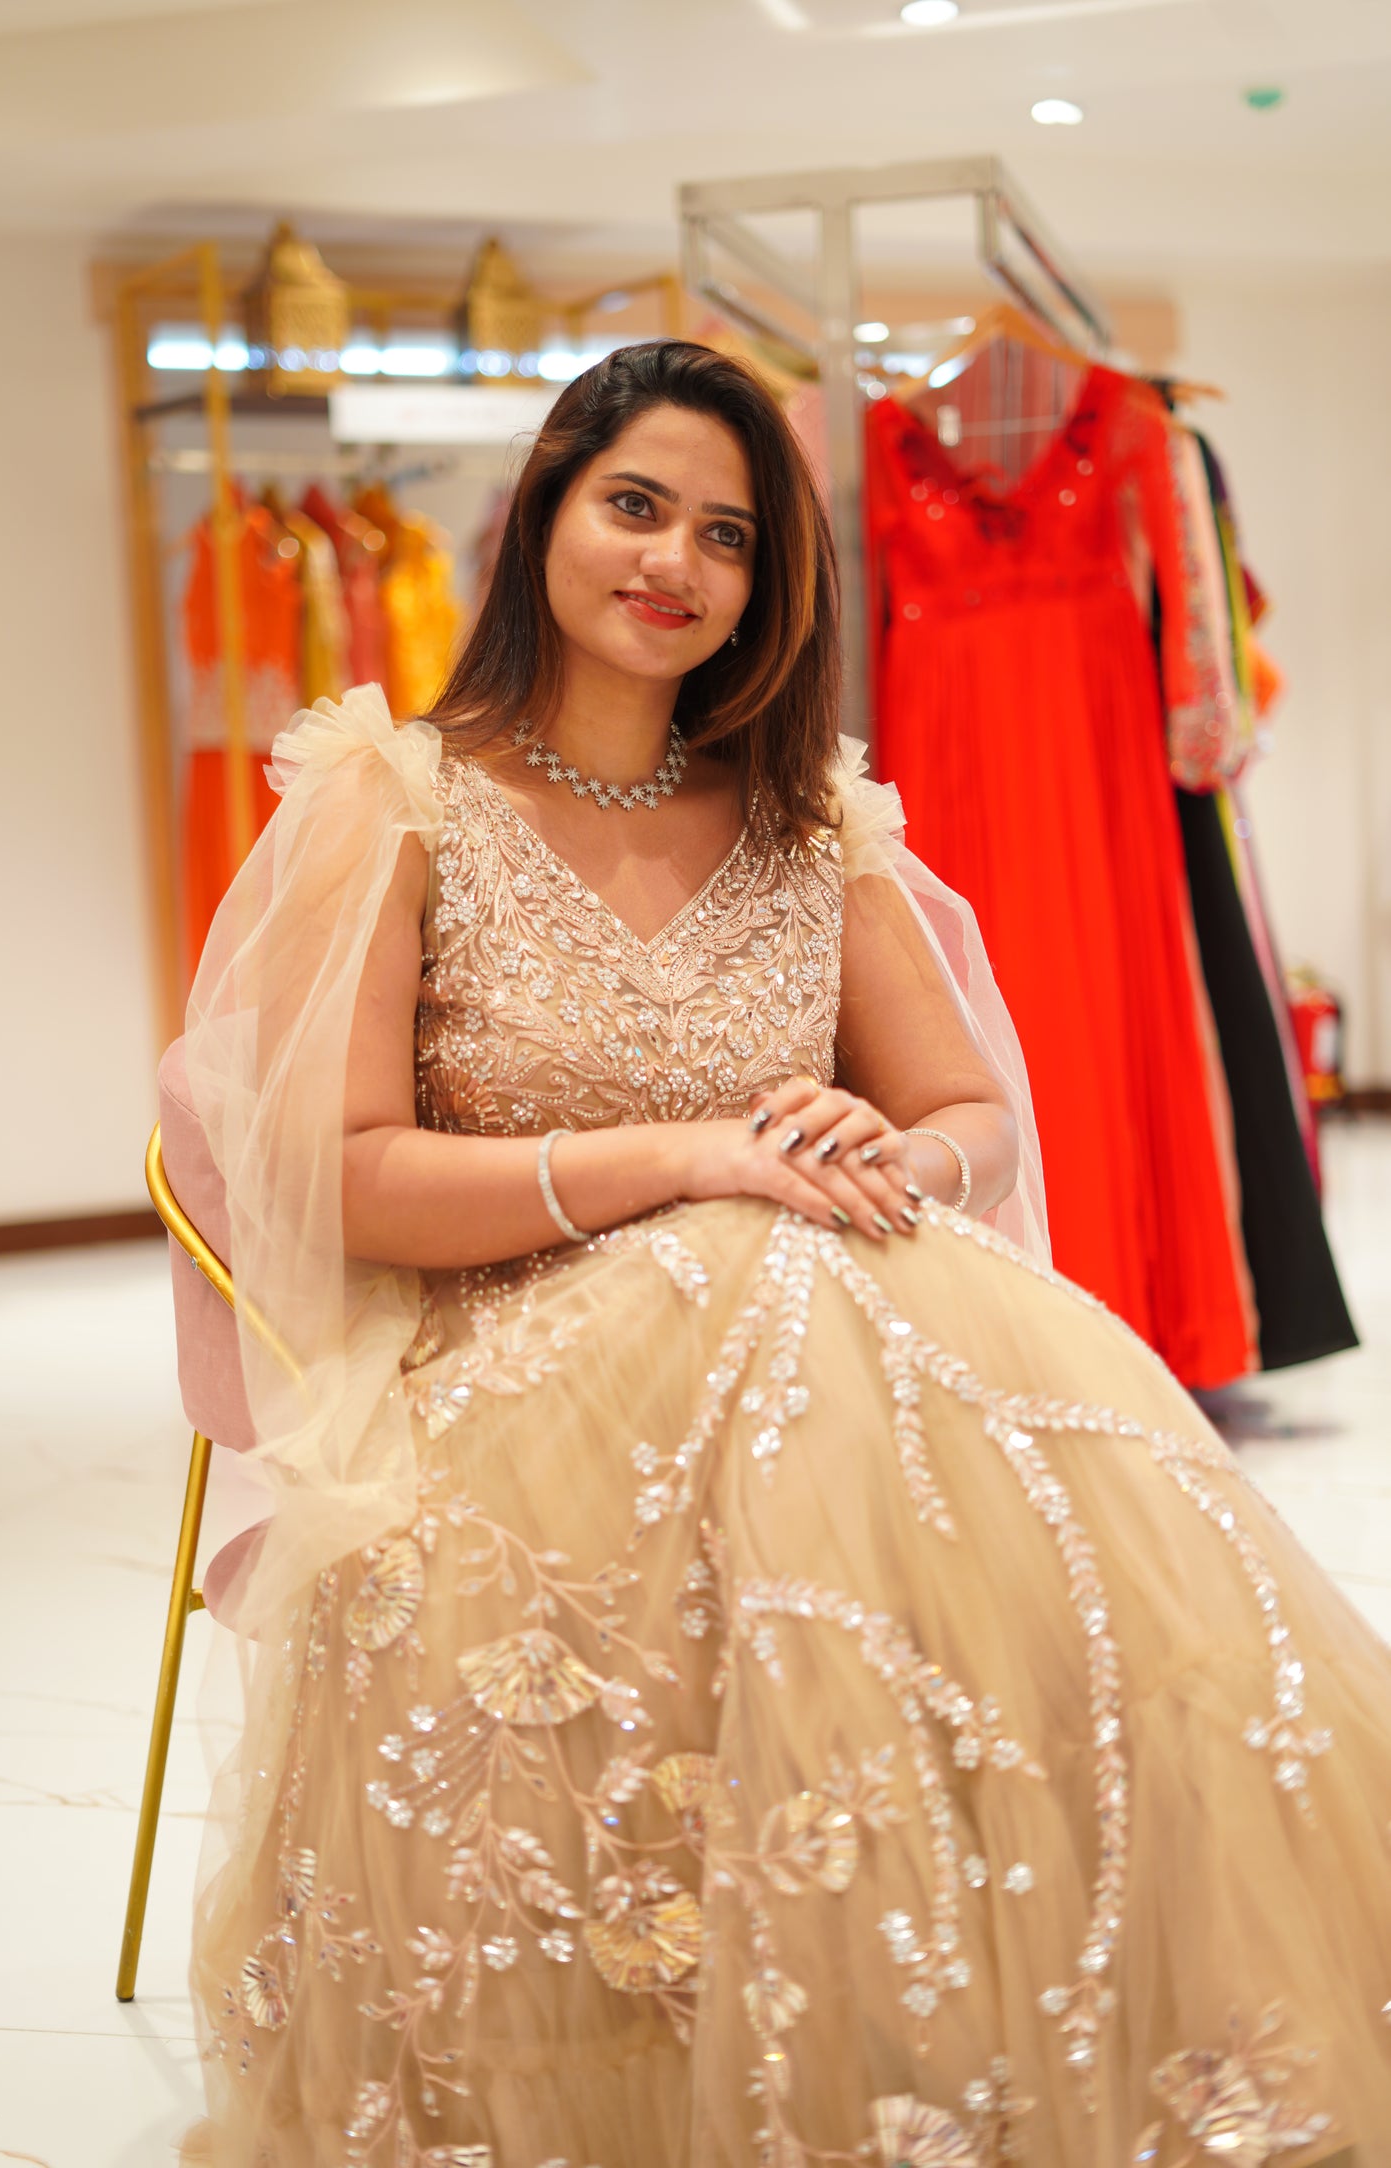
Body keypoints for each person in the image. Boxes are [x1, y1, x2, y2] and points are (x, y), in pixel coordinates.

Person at [182, 341, 1391, 2168]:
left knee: (922, 1372)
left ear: (767, 583)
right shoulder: (395, 800)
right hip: (502, 1361)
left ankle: (1057, 1997)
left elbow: (971, 1112)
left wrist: (893, 1146)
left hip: (807, 1322)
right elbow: (341, 1175)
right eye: (635, 505)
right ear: (544, 514)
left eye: (727, 534)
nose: (673, 560)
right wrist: (682, 1159)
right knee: (778, 1286)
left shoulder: (809, 821)